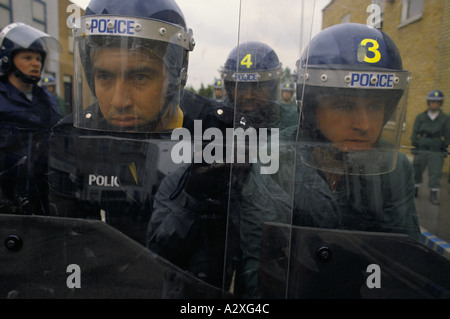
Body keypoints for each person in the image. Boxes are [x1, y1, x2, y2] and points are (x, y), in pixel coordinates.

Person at [238, 23, 421, 297]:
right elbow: (263, 267)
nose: (365, 123)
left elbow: (404, 265)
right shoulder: (275, 159)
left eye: (375, 105)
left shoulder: (395, 169)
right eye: (345, 105)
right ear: (310, 108)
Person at [47, 0, 229, 246]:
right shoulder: (74, 139)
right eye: (104, 76)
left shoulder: (215, 132)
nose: (120, 100)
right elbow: (71, 247)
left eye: (140, 76)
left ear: (176, 76)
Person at [146, 41, 298, 294]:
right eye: (240, 86)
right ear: (228, 86)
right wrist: (195, 191)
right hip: (216, 232)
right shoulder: (211, 121)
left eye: (257, 86)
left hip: (270, 241)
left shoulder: (294, 128)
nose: (248, 95)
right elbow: (162, 246)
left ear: (273, 86)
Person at [0, 22, 61, 215]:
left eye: (38, 58)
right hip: (5, 198)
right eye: (27, 57)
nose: (36, 63)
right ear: (6, 59)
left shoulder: (47, 99)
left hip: (40, 197)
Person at [411, 90, 449, 205]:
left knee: (435, 173)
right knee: (417, 170)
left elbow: (447, 133)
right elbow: (414, 131)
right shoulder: (421, 117)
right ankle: (414, 190)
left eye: (437, 102)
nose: (435, 104)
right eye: (432, 102)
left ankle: (433, 194)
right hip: (422, 147)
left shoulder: (445, 118)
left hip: (435, 149)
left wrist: (445, 146)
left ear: (440, 103)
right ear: (429, 103)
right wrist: (415, 143)